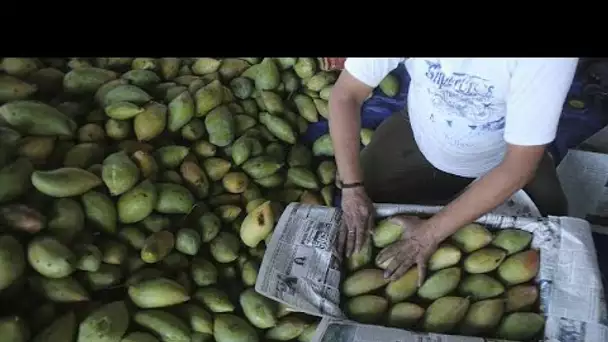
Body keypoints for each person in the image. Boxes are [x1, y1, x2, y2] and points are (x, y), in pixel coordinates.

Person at [328, 58, 578, 284]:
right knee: (361, 198)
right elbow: (346, 94)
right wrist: (352, 187)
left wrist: (428, 235)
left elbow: (519, 166)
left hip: (502, 157)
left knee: (554, 233)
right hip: (422, 134)